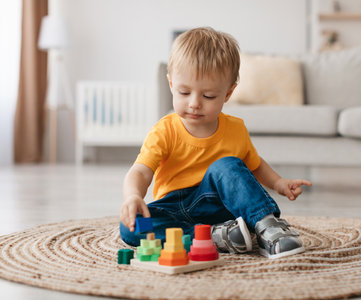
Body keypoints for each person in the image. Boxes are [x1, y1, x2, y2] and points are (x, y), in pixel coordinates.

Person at [120, 27, 312, 259]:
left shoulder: (235, 129)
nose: (194, 103)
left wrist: (279, 182)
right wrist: (133, 196)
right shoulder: (165, 129)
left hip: (221, 207)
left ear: (228, 94)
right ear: (171, 84)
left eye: (208, 96)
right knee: (129, 229)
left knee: (228, 165)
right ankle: (214, 237)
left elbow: (255, 164)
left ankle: (268, 227)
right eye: (184, 92)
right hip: (174, 208)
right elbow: (141, 171)